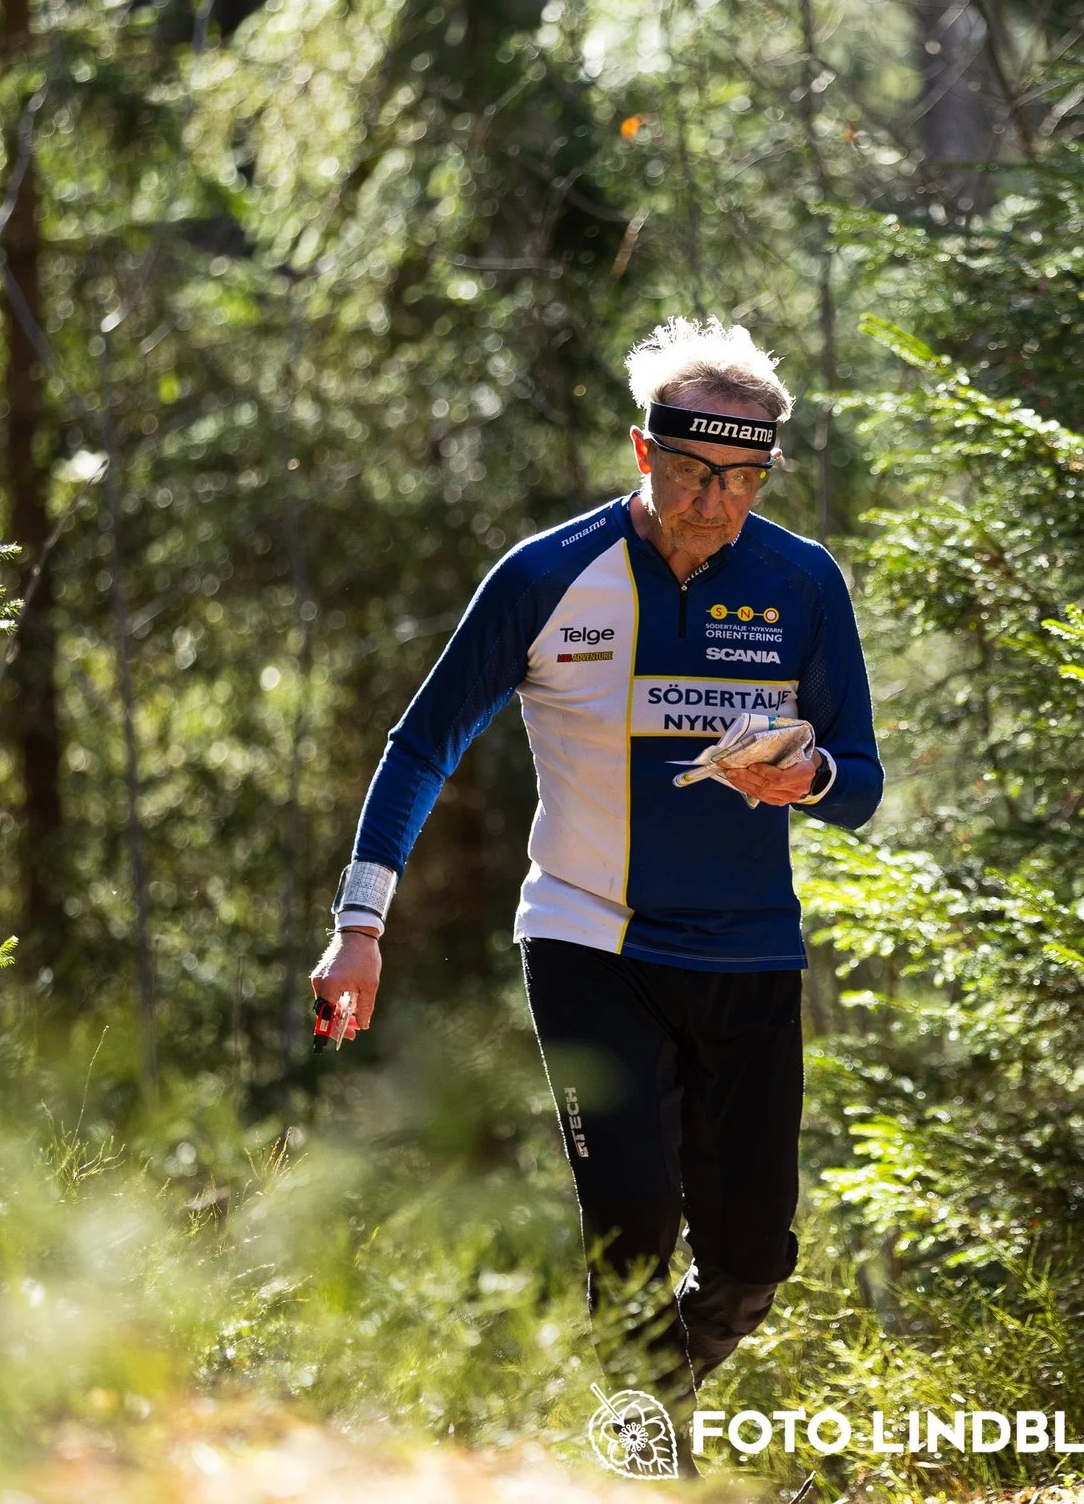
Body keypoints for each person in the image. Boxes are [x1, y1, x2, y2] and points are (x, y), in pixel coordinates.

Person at [307, 318, 883, 1467]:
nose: (716, 499)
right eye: (691, 470)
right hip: (587, 940)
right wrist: (358, 924)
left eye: (744, 476)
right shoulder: (542, 575)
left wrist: (804, 774)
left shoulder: (802, 582)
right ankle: (644, 1468)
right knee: (631, 1228)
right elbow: (419, 748)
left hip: (750, 954)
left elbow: (858, 782)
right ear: (640, 449)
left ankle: (611, 1425)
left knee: (754, 1260)